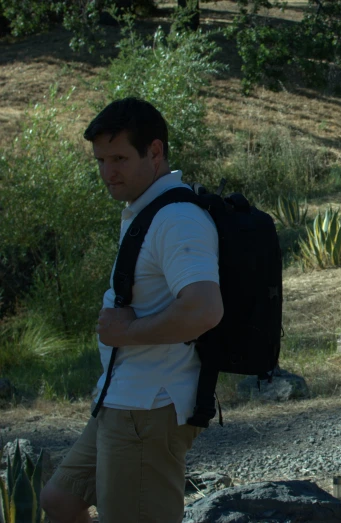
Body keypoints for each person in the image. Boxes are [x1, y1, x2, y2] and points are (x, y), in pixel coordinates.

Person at [40, 98, 223, 522]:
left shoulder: (178, 218)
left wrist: (126, 332)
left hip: (149, 407)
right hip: (122, 400)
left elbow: (203, 309)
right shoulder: (148, 211)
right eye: (101, 160)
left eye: (119, 158)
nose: (107, 172)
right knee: (60, 501)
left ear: (155, 152)